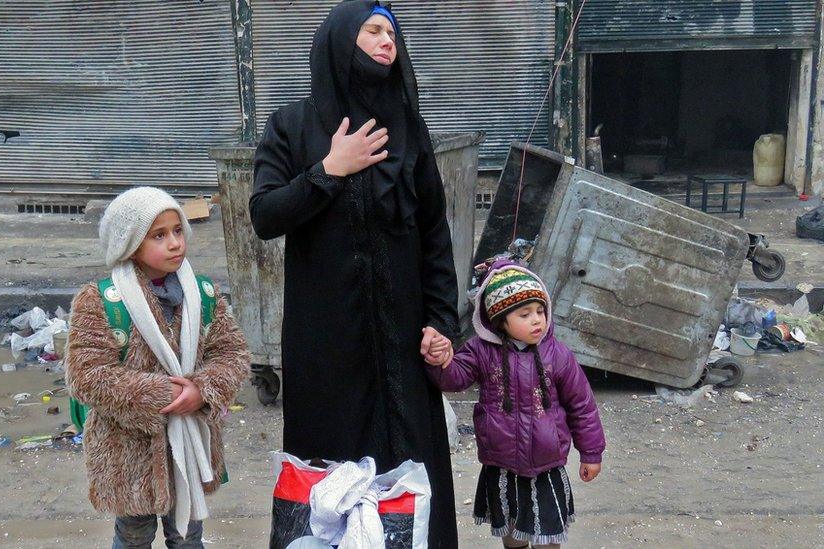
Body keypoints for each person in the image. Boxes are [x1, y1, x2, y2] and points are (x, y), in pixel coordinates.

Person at [249, 1, 459, 546]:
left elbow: (435, 234)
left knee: (411, 475)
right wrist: (328, 170)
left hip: (402, 344)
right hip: (327, 348)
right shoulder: (292, 126)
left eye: (393, 32)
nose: (388, 40)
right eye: (373, 30)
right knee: (329, 477)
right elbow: (265, 216)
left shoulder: (408, 129)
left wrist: (442, 321)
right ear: (341, 41)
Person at [66, 187, 250, 548]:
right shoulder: (102, 302)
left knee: (188, 536)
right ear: (131, 244)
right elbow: (87, 375)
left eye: (178, 231)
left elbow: (232, 353)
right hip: (128, 451)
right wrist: (165, 395)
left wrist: (202, 389)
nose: (175, 243)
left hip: (191, 444)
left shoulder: (203, 295)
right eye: (159, 235)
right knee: (133, 535)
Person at [427, 258, 606, 548]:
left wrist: (592, 453)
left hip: (547, 464)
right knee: (511, 531)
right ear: (500, 320)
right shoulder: (481, 351)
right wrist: (441, 362)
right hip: (502, 463)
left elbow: (582, 406)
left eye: (540, 311)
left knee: (547, 534)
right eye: (524, 314)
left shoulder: (557, 355)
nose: (537, 320)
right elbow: (454, 379)